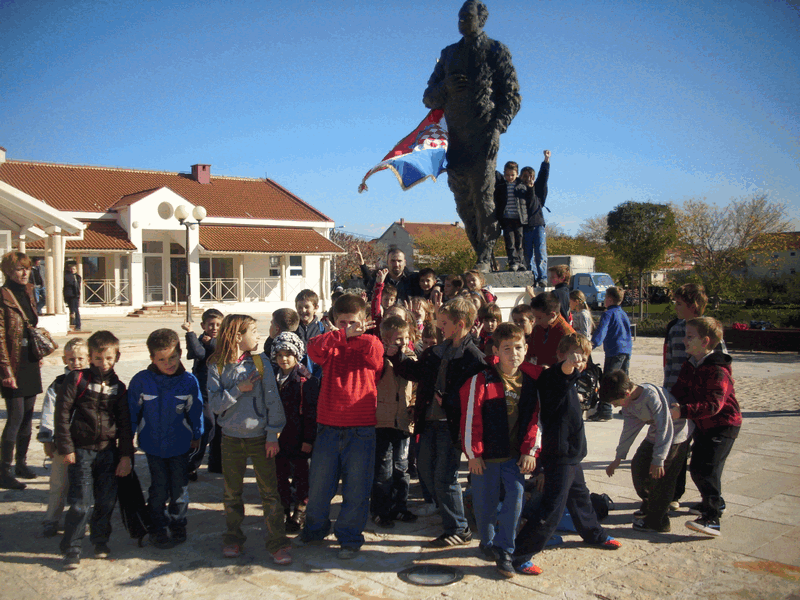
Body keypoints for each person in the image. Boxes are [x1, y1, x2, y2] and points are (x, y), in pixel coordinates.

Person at [423, 0, 521, 272]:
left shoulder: (495, 51)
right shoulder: (449, 54)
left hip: (483, 137)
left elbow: (512, 97)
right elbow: (428, 97)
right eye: (460, 18)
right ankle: (483, 257)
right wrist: (446, 86)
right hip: (454, 141)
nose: (462, 22)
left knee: (482, 199)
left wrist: (497, 128)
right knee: (463, 204)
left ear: (482, 20)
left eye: (467, 17)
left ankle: (485, 257)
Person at [513, 333, 621, 576]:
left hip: (572, 454)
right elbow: (562, 374)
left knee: (580, 497)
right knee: (552, 508)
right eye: (574, 355)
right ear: (560, 354)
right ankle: (519, 555)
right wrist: (569, 365)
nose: (579, 361)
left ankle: (594, 534)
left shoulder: (573, 379)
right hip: (559, 455)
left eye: (583, 357)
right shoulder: (552, 376)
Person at [391, 296, 485, 547]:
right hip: (429, 421)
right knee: (425, 470)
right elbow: (416, 372)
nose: (440, 327)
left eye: (444, 323)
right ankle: (449, 516)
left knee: (446, 477)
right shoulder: (435, 352)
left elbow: (478, 397)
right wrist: (397, 356)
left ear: (460, 324)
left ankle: (459, 528)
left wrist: (450, 400)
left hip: (451, 426)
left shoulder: (474, 358)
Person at [297, 294, 384, 559]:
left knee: (356, 489)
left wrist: (353, 336)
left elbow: (376, 359)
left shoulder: (371, 342)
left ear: (364, 321)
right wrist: (341, 335)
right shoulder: (330, 343)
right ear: (335, 321)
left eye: (353, 322)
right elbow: (313, 350)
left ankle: (349, 537)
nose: (348, 327)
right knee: (319, 487)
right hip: (328, 427)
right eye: (342, 322)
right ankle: (315, 530)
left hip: (361, 429)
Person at [207, 315, 291, 564]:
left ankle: (277, 543)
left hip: (260, 439)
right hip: (231, 440)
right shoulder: (216, 366)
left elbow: (273, 401)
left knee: (270, 493)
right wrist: (237, 389)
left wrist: (272, 435)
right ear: (237, 337)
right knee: (232, 494)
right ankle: (233, 538)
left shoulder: (260, 362)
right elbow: (215, 405)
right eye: (253, 331)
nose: (258, 336)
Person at [461, 323, 542, 578]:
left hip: (513, 457)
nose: (514, 353)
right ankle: (487, 541)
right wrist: (473, 454)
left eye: (518, 347)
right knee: (484, 504)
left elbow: (535, 420)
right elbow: (470, 418)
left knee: (516, 497)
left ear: (526, 349)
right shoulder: (482, 380)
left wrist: (530, 450)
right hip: (485, 457)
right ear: (496, 351)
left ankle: (505, 548)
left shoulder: (531, 382)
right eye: (507, 348)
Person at [55, 330, 134, 570]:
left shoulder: (119, 388)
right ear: (90, 357)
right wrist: (66, 447)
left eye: (109, 358)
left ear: (117, 357)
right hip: (81, 451)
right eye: (98, 358)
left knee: (106, 501)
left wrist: (126, 456)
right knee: (80, 503)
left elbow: (125, 425)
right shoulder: (77, 379)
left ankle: (100, 540)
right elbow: (62, 413)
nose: (104, 363)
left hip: (108, 452)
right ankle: (72, 547)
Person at [129, 329, 204, 549]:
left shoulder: (189, 381)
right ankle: (157, 526)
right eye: (161, 359)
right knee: (158, 488)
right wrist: (127, 439)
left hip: (180, 445)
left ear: (180, 353)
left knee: (179, 489)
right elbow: (132, 412)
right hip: (152, 446)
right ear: (152, 358)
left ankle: (178, 523)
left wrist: (197, 434)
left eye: (172, 357)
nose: (168, 363)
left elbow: (196, 410)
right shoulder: (141, 381)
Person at [670, 317, 741, 537]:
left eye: (690, 336)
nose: (684, 340)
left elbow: (713, 405)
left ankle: (712, 518)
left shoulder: (717, 370)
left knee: (705, 469)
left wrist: (683, 411)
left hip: (723, 426)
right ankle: (715, 502)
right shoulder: (690, 364)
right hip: (704, 424)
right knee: (701, 467)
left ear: (705, 341)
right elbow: (679, 391)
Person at [600, 370, 691, 533]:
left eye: (615, 402)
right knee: (638, 466)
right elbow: (629, 430)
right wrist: (618, 458)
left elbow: (665, 427)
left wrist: (659, 459)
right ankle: (650, 505)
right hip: (655, 435)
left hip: (675, 436)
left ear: (627, 393)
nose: (615, 406)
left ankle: (658, 521)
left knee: (661, 478)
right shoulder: (628, 404)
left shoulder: (651, 396)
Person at [662, 283, 726, 511]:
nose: (675, 307)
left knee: (702, 455)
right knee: (677, 446)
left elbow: (721, 361)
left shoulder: (707, 329)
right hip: (677, 394)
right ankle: (674, 493)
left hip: (699, 400)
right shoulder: (674, 328)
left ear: (693, 305)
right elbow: (669, 362)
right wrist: (667, 391)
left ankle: (711, 498)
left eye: (679, 303)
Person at [0, 251, 44, 490]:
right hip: (12, 363)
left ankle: (21, 463)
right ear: (8, 271)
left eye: (27, 268)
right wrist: (6, 371)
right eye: (19, 268)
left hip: (29, 359)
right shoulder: (3, 296)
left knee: (27, 415)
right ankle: (3, 470)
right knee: (15, 417)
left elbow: (30, 325)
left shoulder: (28, 291)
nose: (25, 272)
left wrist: (37, 355)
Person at [38, 337, 89, 537]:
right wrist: (47, 438)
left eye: (80, 358)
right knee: (58, 484)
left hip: (86, 443)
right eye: (71, 359)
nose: (76, 363)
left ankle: (83, 519)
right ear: (64, 360)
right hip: (62, 443)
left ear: (88, 358)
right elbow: (48, 411)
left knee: (85, 485)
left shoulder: (93, 381)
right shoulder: (58, 384)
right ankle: (51, 519)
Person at [270, 331, 319, 533]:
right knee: (280, 476)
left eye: (288, 354)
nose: (284, 359)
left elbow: (310, 413)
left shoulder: (305, 381)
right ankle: (283, 508)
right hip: (279, 438)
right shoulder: (272, 378)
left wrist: (308, 439)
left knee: (302, 476)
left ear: (297, 355)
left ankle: (300, 509)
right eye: (280, 355)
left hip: (299, 438)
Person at [372, 316, 417, 527]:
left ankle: (400, 506)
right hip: (382, 422)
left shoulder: (411, 358)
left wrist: (414, 406)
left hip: (403, 421)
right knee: (383, 470)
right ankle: (381, 510)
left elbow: (416, 387)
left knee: (401, 468)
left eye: (405, 338)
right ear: (385, 339)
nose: (402, 343)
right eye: (398, 339)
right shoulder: (378, 360)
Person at [182, 308, 224, 478]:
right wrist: (190, 333)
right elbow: (197, 353)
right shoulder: (199, 340)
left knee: (219, 428)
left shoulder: (221, 341)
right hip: (203, 391)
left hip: (220, 390)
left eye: (218, 325)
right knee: (207, 426)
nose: (214, 328)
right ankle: (190, 465)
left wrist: (212, 343)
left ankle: (216, 464)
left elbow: (222, 351)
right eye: (211, 325)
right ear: (203, 326)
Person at [590, 286, 633, 421]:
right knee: (624, 381)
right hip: (626, 349)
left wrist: (592, 344)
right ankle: (627, 408)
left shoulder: (608, 314)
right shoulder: (623, 313)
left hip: (614, 350)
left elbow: (601, 331)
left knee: (609, 380)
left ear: (609, 299)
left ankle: (605, 411)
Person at [520, 152, 551, 284]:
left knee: (540, 252)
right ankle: (531, 277)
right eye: (525, 176)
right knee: (527, 255)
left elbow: (543, 177)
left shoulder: (538, 190)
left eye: (531, 176)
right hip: (525, 226)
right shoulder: (519, 190)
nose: (528, 178)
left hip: (538, 225)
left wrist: (546, 161)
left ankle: (542, 277)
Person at [494, 161, 526, 271]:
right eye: (507, 175)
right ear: (504, 174)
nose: (510, 177)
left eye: (512, 175)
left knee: (519, 242)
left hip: (519, 218)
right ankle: (513, 262)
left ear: (517, 174)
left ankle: (520, 262)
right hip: (507, 218)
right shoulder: (502, 186)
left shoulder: (521, 185)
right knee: (510, 242)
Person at [528, 292, 575, 367]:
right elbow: (530, 351)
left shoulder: (567, 334)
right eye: (535, 317)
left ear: (552, 315)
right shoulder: (539, 328)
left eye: (539, 318)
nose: (536, 321)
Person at [294, 289, 328, 380]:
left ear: (315, 308)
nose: (303, 310)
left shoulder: (322, 329)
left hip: (317, 376)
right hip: (296, 377)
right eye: (299, 307)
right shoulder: (292, 329)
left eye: (307, 307)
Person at [63, 261, 82, 332]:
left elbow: (78, 284)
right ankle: (73, 324)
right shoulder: (68, 276)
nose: (72, 270)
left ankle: (77, 325)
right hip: (70, 295)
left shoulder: (77, 277)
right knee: (72, 310)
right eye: (71, 269)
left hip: (75, 295)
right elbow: (68, 283)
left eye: (74, 269)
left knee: (75, 310)